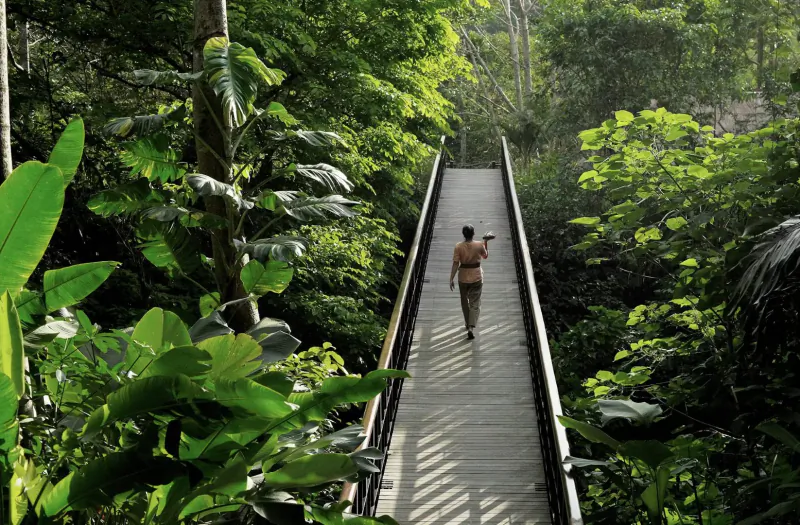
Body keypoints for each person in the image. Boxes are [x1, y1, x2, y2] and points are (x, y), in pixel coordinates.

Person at [449, 225, 494, 340]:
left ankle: (467, 322)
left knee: (464, 301)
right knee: (474, 302)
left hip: (463, 277)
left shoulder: (458, 246)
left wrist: (451, 278)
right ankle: (471, 327)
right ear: (473, 233)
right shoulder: (479, 245)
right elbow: (485, 256)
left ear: (463, 234)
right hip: (476, 276)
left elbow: (455, 263)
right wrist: (485, 242)